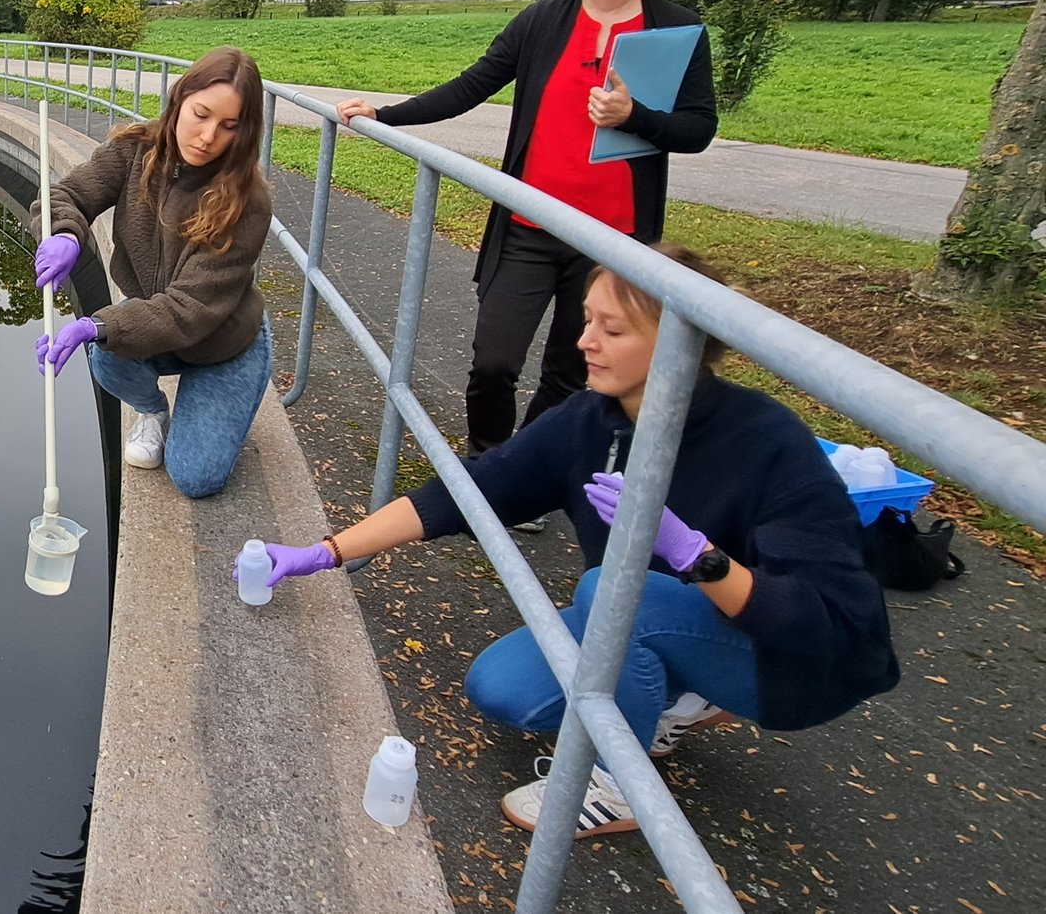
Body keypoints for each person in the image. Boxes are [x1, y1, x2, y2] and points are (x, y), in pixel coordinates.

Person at [245, 245, 899, 837]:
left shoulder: (766, 440)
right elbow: (470, 491)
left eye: (611, 329)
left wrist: (697, 556)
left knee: (613, 592)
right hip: (649, 615)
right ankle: (677, 694)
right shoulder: (592, 421)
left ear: (683, 344)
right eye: (587, 319)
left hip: (782, 660)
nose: (584, 341)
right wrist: (326, 552)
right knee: (500, 688)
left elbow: (831, 624)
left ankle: (623, 787)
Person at [337, 0, 718, 472]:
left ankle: (525, 468)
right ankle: (489, 458)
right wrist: (385, 114)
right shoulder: (543, 21)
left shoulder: (674, 32)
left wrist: (635, 117)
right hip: (527, 225)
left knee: (572, 372)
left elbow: (697, 130)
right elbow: (472, 85)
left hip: (613, 242)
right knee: (494, 360)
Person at [32, 45, 272, 499]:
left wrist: (97, 323)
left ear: (244, 132)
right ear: (180, 98)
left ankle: (245, 374)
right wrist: (65, 233)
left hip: (220, 340)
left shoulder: (248, 201)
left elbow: (190, 309)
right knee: (105, 352)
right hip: (155, 316)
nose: (206, 136)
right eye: (200, 114)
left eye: (228, 127)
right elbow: (66, 195)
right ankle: (154, 411)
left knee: (196, 478)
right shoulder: (133, 151)